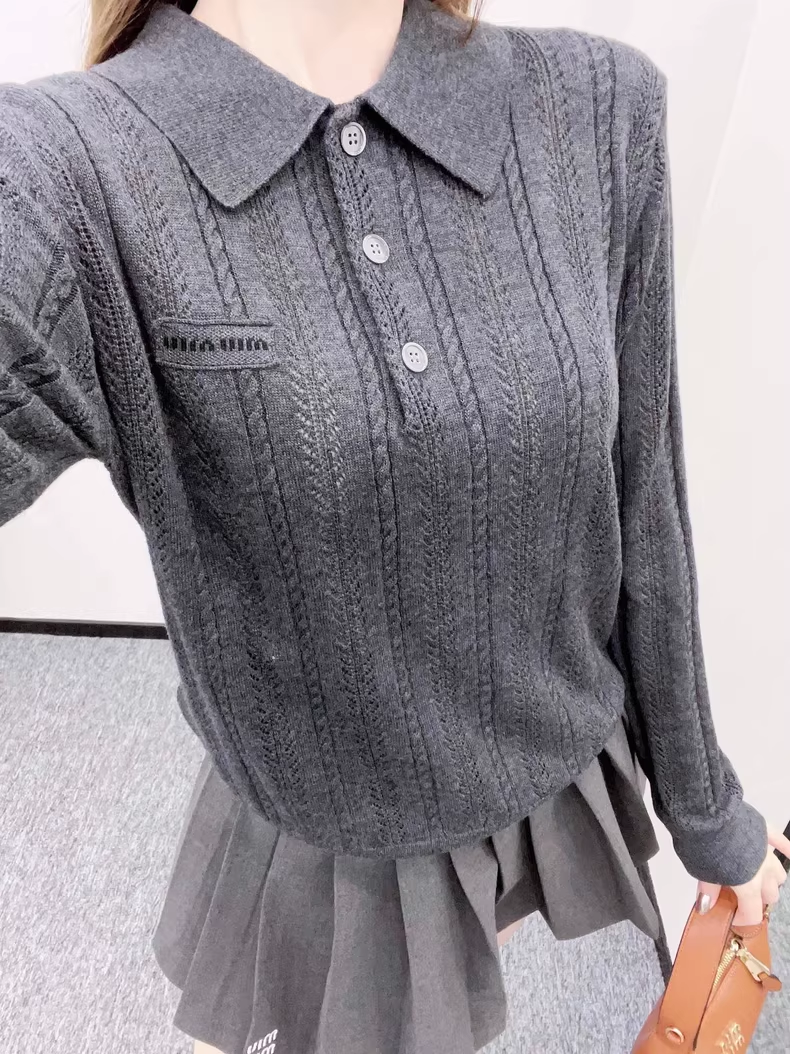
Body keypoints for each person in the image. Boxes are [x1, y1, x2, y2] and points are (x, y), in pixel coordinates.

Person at [1, 0, 787, 1051]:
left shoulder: (600, 105)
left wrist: (706, 807)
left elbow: (643, 493)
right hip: (336, 835)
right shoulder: (65, 168)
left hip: (552, 768)